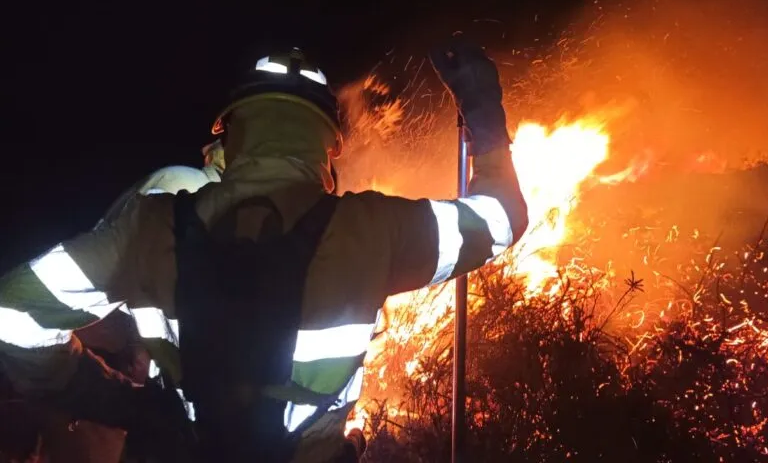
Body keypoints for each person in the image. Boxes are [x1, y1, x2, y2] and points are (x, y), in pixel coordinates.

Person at [0, 41, 528, 462]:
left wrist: (112, 399)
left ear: (231, 134)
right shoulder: (372, 228)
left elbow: (12, 313)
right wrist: (482, 109)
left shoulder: (151, 224)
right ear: (328, 147)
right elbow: (502, 219)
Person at [0, 142, 226, 463]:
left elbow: (14, 314)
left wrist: (122, 402)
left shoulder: (177, 192)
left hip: (183, 440)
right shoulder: (190, 194)